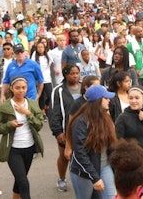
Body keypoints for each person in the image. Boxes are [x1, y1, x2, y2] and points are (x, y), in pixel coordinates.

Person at [0, 76, 44, 199]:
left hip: (30, 148)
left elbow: (39, 125)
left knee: (20, 180)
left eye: (23, 88)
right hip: (13, 150)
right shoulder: (5, 106)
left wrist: (28, 113)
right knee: (24, 183)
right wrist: (9, 125)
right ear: (11, 88)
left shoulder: (32, 104)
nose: (21, 90)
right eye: (18, 88)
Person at [67, 85, 117, 199]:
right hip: (83, 172)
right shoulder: (81, 122)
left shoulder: (105, 117)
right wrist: (94, 177)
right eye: (106, 98)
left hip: (105, 166)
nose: (109, 100)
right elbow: (80, 152)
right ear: (98, 101)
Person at [48, 64, 81, 192]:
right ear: (66, 75)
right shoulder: (58, 91)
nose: (75, 76)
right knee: (64, 156)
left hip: (84, 129)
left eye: (77, 73)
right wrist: (57, 132)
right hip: (65, 130)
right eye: (72, 73)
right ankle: (62, 178)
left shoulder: (84, 86)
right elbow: (53, 112)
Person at [31, 41, 54, 120]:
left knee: (50, 95)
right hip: (39, 79)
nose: (40, 49)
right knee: (41, 96)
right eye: (39, 47)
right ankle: (42, 111)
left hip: (47, 78)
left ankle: (46, 107)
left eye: (42, 47)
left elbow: (51, 64)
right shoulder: (35, 55)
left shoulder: (48, 55)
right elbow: (33, 65)